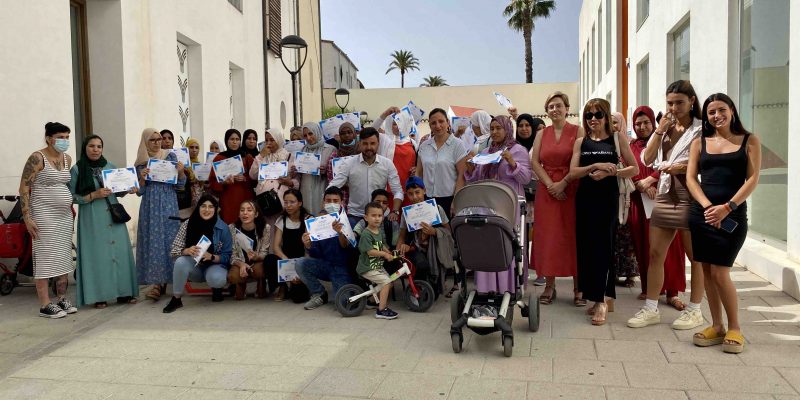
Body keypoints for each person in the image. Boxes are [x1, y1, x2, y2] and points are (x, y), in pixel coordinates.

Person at [627, 80, 706, 330]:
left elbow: (708, 161)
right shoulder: (665, 127)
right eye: (670, 103)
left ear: (692, 101)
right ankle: (651, 308)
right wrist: (659, 130)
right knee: (655, 254)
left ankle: (695, 310)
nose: (674, 107)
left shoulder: (702, 129)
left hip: (690, 195)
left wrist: (679, 167)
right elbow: (647, 159)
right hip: (664, 195)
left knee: (696, 257)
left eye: (679, 102)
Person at [686, 93, 761, 354]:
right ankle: (716, 326)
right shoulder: (699, 142)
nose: (716, 115)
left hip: (732, 215)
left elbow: (752, 179)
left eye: (721, 110)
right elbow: (691, 179)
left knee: (720, 272)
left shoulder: (749, 141)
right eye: (710, 112)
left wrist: (728, 208)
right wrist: (708, 207)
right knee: (706, 271)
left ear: (731, 110)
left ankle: (735, 327)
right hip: (702, 214)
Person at [569, 99, 639, 325]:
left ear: (606, 116)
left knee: (604, 248)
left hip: (607, 201)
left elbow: (634, 168)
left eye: (598, 115)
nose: (593, 120)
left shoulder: (617, 139)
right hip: (585, 200)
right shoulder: (582, 141)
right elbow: (573, 172)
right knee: (587, 248)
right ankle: (600, 297)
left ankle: (601, 301)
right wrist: (593, 167)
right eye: (589, 115)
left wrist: (612, 173)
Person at [69, 135, 138, 308]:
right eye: (92, 146)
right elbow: (71, 197)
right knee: (97, 256)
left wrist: (129, 189)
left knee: (120, 253)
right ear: (85, 148)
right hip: (92, 216)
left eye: (99, 146)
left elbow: (118, 191)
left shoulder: (110, 167)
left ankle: (124, 293)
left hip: (113, 213)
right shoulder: (77, 169)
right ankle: (99, 295)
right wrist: (93, 195)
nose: (95, 149)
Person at [628, 106, 688, 306]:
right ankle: (649, 289)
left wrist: (652, 180)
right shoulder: (632, 146)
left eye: (646, 122)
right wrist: (642, 185)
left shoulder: (665, 139)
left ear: (653, 122)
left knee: (671, 249)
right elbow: (629, 168)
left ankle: (672, 292)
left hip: (666, 198)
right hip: (640, 202)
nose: (642, 127)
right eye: (638, 123)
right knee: (646, 246)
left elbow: (673, 163)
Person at [465, 115, 532, 292]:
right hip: (486, 205)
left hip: (509, 205)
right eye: (492, 128)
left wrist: (511, 161)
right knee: (487, 244)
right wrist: (471, 168)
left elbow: (525, 178)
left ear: (507, 129)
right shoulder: (485, 152)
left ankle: (508, 287)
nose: (494, 132)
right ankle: (487, 288)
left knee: (507, 244)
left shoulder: (518, 150)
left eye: (498, 128)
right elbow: (476, 180)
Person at [530, 91, 584, 306]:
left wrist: (563, 183)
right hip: (547, 190)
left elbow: (580, 160)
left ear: (567, 108)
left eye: (558, 105)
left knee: (573, 236)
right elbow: (535, 162)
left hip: (572, 188)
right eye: (551, 106)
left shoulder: (578, 130)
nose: (555, 109)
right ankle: (549, 286)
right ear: (547, 111)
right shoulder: (542, 134)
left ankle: (579, 287)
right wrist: (551, 185)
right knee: (549, 237)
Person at [19, 122, 77, 318]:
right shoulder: (37, 157)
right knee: (45, 257)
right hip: (43, 214)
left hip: (64, 216)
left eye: (67, 137)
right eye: (61, 137)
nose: (65, 141)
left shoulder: (67, 158)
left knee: (63, 256)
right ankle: (45, 304)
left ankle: (61, 298)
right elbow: (24, 188)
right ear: (49, 138)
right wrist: (27, 217)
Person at [135, 128, 186, 301]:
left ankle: (174, 281)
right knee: (154, 241)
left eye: (159, 139)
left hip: (169, 203)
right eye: (152, 140)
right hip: (150, 206)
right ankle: (156, 284)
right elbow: (139, 191)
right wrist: (142, 178)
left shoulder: (169, 157)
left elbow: (180, 185)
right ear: (145, 142)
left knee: (170, 241)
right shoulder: (142, 162)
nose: (157, 142)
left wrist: (180, 171)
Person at [163, 195, 233, 312]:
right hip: (195, 267)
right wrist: (187, 250)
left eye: (211, 207)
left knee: (217, 278)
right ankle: (176, 299)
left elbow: (228, 256)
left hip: (214, 266)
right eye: (203, 206)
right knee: (180, 261)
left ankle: (216, 288)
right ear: (198, 208)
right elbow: (174, 250)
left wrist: (212, 256)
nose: (207, 210)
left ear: (215, 209)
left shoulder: (223, 228)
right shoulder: (187, 224)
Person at [328, 127, 403, 228]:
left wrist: (395, 211)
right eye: (365, 143)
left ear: (378, 144)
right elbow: (333, 186)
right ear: (359, 144)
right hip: (355, 216)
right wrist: (327, 208)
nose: (369, 147)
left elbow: (398, 191)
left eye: (372, 143)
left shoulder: (387, 164)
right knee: (353, 243)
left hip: (379, 217)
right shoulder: (348, 163)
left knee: (379, 244)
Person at [295, 187, 353, 310]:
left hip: (341, 269)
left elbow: (348, 249)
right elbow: (315, 253)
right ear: (323, 202)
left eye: (335, 201)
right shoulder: (317, 223)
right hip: (324, 265)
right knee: (300, 263)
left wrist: (341, 233)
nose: (332, 204)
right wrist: (308, 245)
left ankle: (344, 290)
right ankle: (319, 294)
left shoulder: (349, 221)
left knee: (343, 304)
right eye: (328, 200)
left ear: (342, 203)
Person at [396, 176, 454, 294]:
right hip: (416, 248)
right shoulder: (406, 214)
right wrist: (400, 250)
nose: (415, 197)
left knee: (435, 290)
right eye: (410, 194)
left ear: (424, 191)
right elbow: (402, 236)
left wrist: (434, 232)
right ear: (406, 194)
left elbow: (448, 232)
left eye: (418, 192)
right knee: (421, 264)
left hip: (435, 248)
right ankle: (418, 291)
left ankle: (432, 289)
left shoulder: (436, 209)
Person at [416, 108, 469, 217]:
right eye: (433, 123)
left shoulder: (457, 145)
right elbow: (419, 173)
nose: (438, 126)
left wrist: (456, 200)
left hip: (448, 200)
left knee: (447, 233)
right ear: (430, 126)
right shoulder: (424, 146)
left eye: (441, 121)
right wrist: (418, 197)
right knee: (428, 232)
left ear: (448, 122)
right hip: (427, 199)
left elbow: (461, 175)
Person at [515, 114, 546, 285]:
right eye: (521, 125)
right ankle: (522, 271)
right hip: (520, 198)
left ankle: (541, 272)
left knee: (539, 236)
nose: (524, 128)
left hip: (539, 198)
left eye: (528, 125)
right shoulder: (513, 147)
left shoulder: (540, 145)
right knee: (522, 238)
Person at [610, 112, 640, 287]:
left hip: (626, 196)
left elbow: (634, 167)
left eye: (616, 122)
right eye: (611, 122)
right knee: (613, 237)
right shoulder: (607, 142)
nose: (613, 126)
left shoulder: (628, 144)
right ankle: (613, 273)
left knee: (626, 237)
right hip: (611, 194)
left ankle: (629, 274)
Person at [358, 201, 400, 319]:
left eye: (379, 216)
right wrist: (384, 254)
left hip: (376, 265)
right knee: (386, 282)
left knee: (389, 282)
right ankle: (381, 310)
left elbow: (381, 245)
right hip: (368, 267)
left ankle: (371, 301)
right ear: (366, 217)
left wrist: (387, 251)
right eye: (373, 215)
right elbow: (370, 251)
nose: (377, 218)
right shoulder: (366, 234)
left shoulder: (378, 231)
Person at [270, 189, 312, 301]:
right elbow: (276, 247)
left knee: (299, 298)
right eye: (286, 202)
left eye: (292, 202)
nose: (288, 205)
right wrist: (286, 261)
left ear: (300, 203)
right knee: (269, 260)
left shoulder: (308, 219)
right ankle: (282, 286)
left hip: (303, 260)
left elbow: (312, 247)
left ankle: (303, 284)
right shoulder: (281, 220)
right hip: (287, 259)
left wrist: (299, 267)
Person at [208, 129, 256, 224]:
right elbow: (213, 183)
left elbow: (255, 179)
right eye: (232, 139)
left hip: (245, 198)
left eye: (237, 139)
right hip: (228, 200)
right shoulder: (219, 158)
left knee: (245, 225)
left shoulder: (247, 157)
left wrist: (245, 179)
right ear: (226, 141)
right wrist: (224, 182)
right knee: (230, 226)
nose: (235, 142)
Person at [372, 107, 418, 203]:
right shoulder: (384, 140)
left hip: (410, 189)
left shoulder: (413, 143)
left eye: (400, 123)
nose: (397, 126)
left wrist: (416, 168)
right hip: (390, 190)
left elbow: (418, 163)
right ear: (389, 125)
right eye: (394, 124)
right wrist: (385, 114)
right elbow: (370, 131)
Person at [289, 123, 335, 217]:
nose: (308, 138)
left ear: (317, 132)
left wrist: (326, 171)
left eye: (311, 134)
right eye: (305, 135)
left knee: (322, 216)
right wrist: (295, 170)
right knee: (307, 217)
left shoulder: (330, 149)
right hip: (305, 190)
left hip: (322, 188)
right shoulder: (302, 150)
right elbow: (298, 176)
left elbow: (335, 173)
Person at [250, 128, 295, 225]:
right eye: (266, 140)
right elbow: (253, 175)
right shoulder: (263, 156)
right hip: (263, 202)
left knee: (279, 229)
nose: (268, 143)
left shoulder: (289, 156)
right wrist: (260, 156)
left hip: (281, 202)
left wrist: (289, 182)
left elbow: (296, 180)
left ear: (279, 139)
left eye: (272, 140)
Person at [227, 200, 270, 300]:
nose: (245, 213)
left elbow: (265, 252)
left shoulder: (265, 228)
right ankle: (241, 284)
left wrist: (257, 256)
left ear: (256, 214)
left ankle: (261, 282)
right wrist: (241, 264)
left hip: (257, 262)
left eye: (249, 210)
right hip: (240, 262)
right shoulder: (232, 228)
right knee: (233, 276)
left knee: (261, 270)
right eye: (242, 210)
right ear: (239, 214)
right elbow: (232, 254)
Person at [325, 122, 361, 209]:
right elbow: (331, 179)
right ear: (339, 136)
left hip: (359, 196)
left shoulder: (361, 153)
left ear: (354, 134)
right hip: (342, 197)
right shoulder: (334, 156)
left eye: (349, 132)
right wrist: (343, 182)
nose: (347, 135)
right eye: (343, 133)